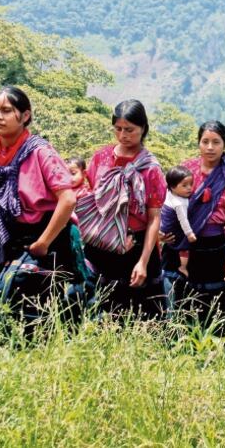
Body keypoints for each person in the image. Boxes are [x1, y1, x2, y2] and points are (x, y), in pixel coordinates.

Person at [0, 87, 86, 336]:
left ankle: (26, 355)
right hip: (4, 236)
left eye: (7, 111)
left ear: (25, 116)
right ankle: (2, 361)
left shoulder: (40, 151)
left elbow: (67, 199)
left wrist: (44, 242)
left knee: (21, 296)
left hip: (45, 235)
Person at [82, 100, 166, 319]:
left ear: (143, 129)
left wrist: (143, 262)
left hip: (134, 247)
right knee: (95, 309)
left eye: (129, 130)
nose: (123, 135)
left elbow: (154, 218)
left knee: (138, 314)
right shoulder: (101, 158)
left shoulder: (150, 169)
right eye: (118, 129)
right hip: (100, 244)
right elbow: (89, 197)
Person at [170, 121, 225, 330]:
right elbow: (170, 205)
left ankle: (223, 354)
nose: (210, 147)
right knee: (187, 303)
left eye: (216, 142)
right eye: (205, 141)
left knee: (220, 304)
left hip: (217, 246)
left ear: (224, 144)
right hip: (187, 246)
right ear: (198, 143)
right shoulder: (187, 170)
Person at [159, 165, 196, 278]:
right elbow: (183, 220)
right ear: (173, 187)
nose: (189, 188)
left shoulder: (169, 193)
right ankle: (183, 267)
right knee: (184, 245)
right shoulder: (180, 203)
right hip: (172, 230)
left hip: (163, 228)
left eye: (190, 184)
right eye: (184, 185)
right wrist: (189, 234)